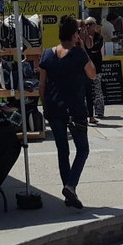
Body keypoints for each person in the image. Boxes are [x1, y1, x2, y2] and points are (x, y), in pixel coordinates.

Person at [39, 16, 97, 209]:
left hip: (54, 108)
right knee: (83, 149)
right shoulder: (79, 54)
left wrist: (44, 105)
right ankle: (71, 186)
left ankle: (68, 191)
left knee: (62, 151)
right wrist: (82, 49)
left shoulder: (47, 54)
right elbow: (92, 74)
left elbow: (42, 85)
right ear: (74, 34)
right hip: (75, 110)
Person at [82, 17, 105, 123]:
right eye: (87, 24)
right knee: (86, 91)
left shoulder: (99, 37)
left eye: (92, 24)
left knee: (97, 88)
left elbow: (94, 48)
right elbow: (87, 49)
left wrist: (90, 49)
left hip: (96, 66)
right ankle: (87, 113)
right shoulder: (82, 37)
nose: (89, 26)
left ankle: (99, 111)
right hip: (85, 68)